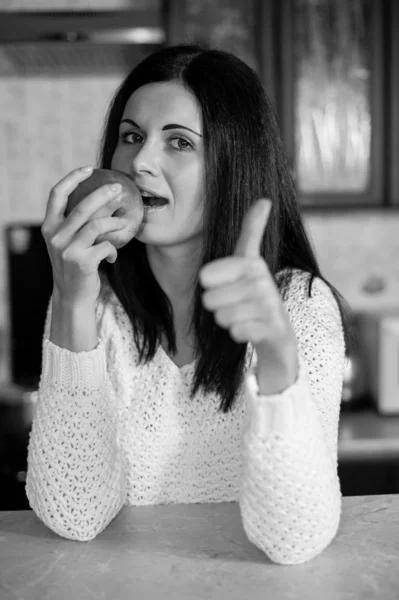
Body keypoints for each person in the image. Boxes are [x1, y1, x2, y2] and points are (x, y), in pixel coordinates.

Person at [26, 43, 354, 565]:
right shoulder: (93, 300)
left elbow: (294, 540)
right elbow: (75, 513)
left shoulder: (299, 306)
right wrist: (69, 300)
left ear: (232, 164)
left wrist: (275, 354)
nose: (140, 161)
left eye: (178, 142)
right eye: (131, 137)